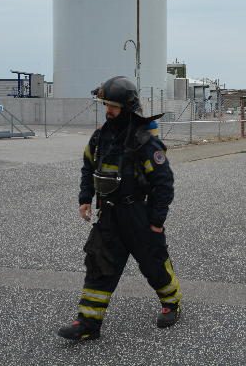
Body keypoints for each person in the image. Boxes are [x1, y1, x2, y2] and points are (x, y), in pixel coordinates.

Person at [57, 76, 182, 341]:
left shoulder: (144, 140)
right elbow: (88, 167)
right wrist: (85, 198)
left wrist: (157, 220)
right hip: (110, 214)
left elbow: (164, 182)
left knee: (153, 264)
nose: (108, 110)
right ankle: (88, 324)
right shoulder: (101, 137)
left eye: (112, 105)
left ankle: (172, 303)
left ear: (126, 106)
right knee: (99, 264)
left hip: (138, 215)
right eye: (105, 105)